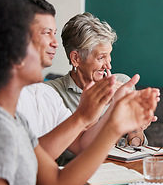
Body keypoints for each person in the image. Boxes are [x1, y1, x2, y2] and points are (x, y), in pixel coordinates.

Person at [0, 0, 157, 185]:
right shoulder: (1, 129)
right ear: (11, 48)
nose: (54, 44)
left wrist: (116, 123)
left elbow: (59, 184)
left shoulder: (16, 121)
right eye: (43, 35)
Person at [45, 12, 154, 147]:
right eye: (101, 58)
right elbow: (73, 148)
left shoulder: (123, 83)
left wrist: (135, 128)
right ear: (76, 59)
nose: (109, 65)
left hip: (120, 167)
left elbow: (135, 145)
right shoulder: (51, 93)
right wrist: (107, 105)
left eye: (109, 56)